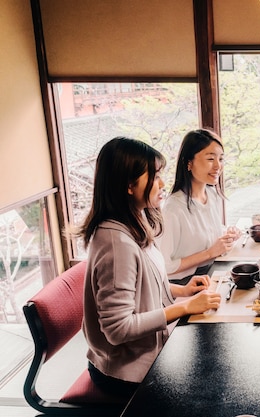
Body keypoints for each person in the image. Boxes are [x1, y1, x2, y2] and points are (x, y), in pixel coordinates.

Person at [75, 137, 221, 400]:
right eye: (154, 177)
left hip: (146, 356)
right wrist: (184, 307)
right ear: (129, 185)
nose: (162, 184)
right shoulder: (115, 242)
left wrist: (182, 290)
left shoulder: (133, 221)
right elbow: (118, 329)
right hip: (125, 374)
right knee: (209, 388)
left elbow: (143, 285)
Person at [158, 129, 240, 285]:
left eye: (221, 159)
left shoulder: (212, 195)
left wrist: (228, 234)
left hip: (211, 273)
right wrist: (210, 253)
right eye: (210, 159)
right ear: (189, 163)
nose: (218, 166)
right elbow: (164, 266)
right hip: (183, 285)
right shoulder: (173, 209)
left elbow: (203, 234)